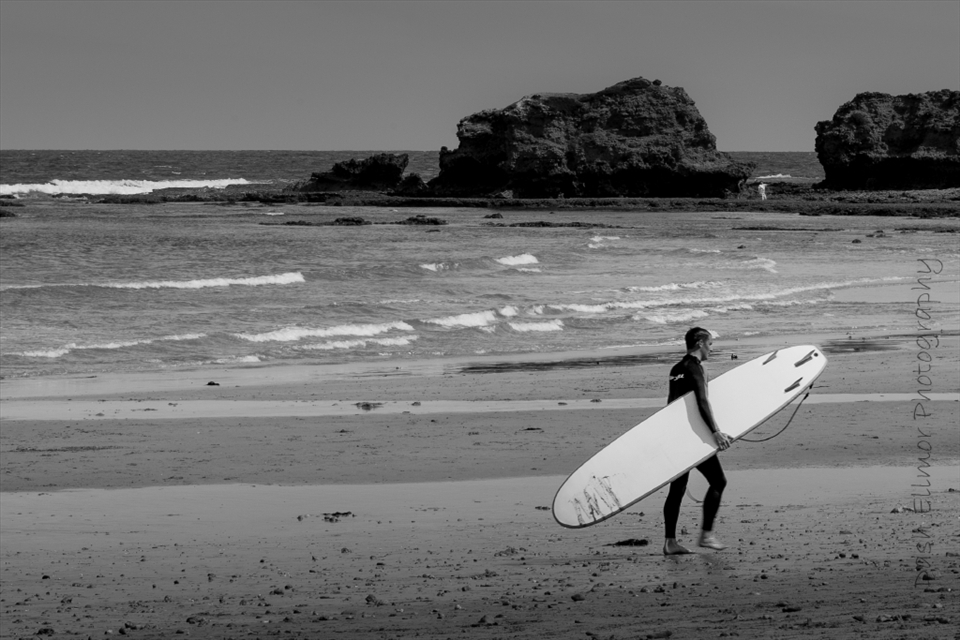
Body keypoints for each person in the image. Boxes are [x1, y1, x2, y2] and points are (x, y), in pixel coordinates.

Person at [662, 327, 733, 555]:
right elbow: (702, 401)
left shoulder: (676, 369)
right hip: (692, 438)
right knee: (718, 481)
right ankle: (707, 535)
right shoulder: (696, 368)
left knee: (677, 489)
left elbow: (672, 405)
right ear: (700, 343)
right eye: (710, 344)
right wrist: (715, 432)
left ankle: (670, 542)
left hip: (677, 436)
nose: (711, 349)